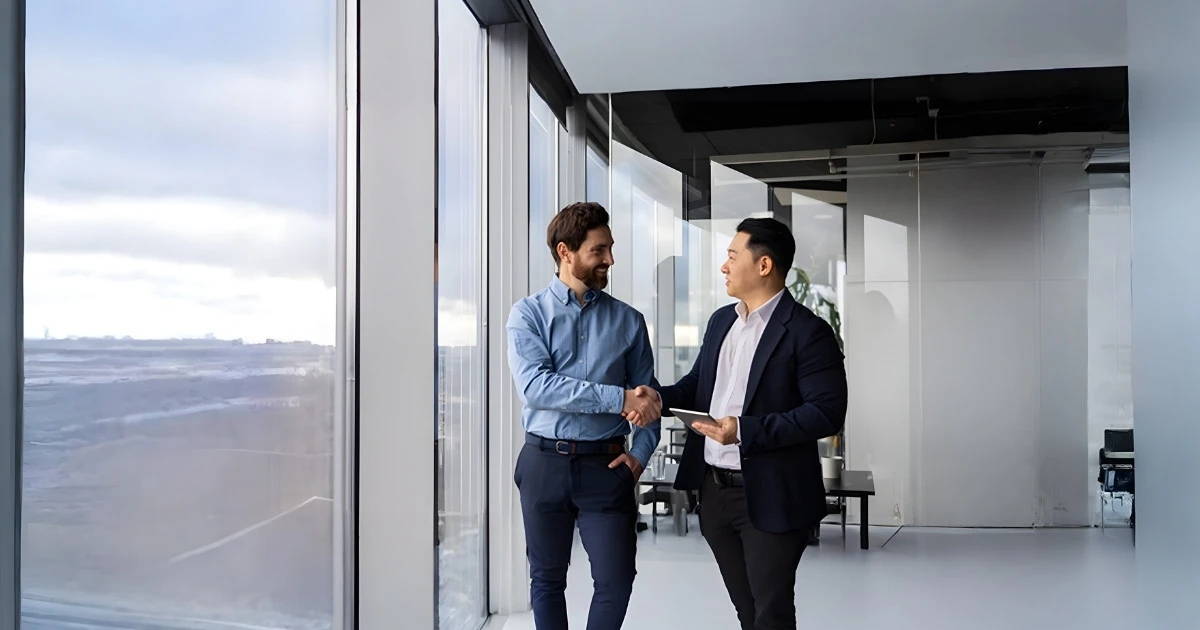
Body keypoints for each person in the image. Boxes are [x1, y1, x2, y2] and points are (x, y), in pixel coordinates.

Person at [646, 217, 847, 630]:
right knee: (746, 612)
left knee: (770, 613)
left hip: (773, 494)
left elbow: (826, 413)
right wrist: (660, 398)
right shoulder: (722, 321)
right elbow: (699, 385)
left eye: (732, 256)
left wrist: (745, 430)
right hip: (715, 493)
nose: (724, 266)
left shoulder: (809, 332)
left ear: (764, 265)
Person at [506, 201, 662, 630]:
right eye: (599, 250)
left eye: (610, 248)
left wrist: (640, 457)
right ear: (565, 252)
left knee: (616, 579)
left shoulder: (629, 322)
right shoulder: (527, 315)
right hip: (544, 464)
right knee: (547, 578)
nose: (610, 260)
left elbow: (650, 400)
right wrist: (619, 398)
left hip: (606, 465)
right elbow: (536, 387)